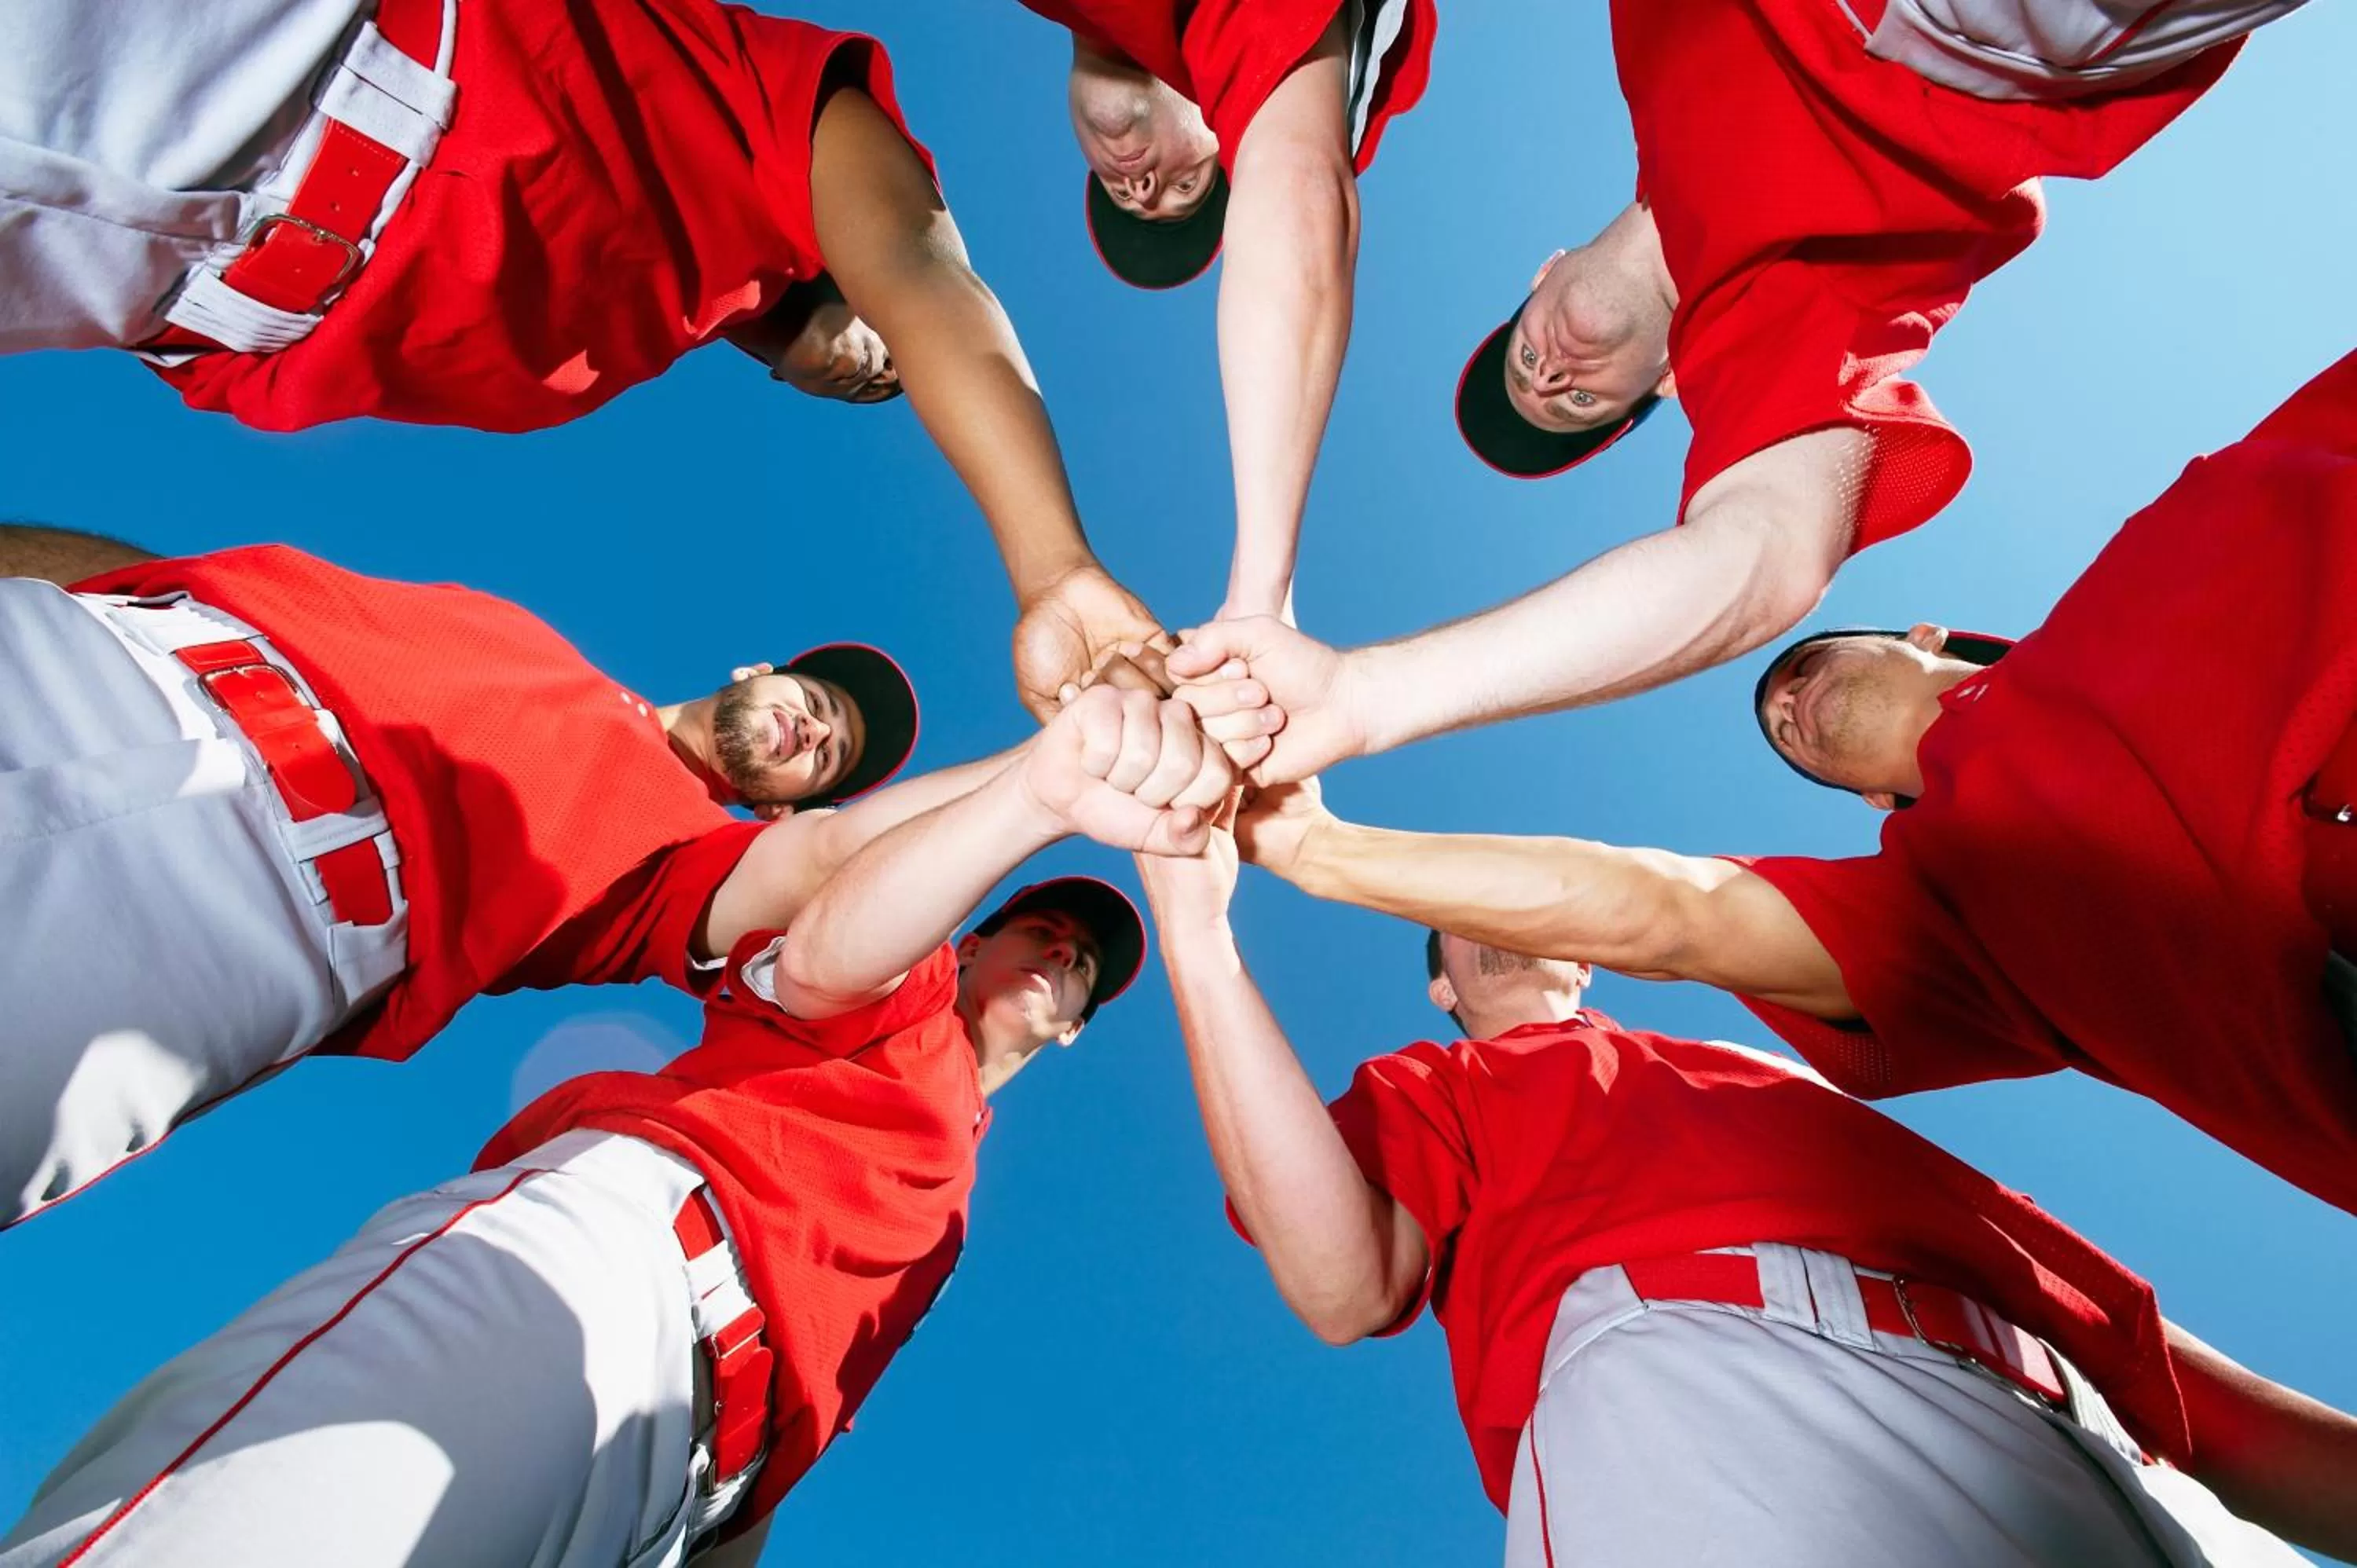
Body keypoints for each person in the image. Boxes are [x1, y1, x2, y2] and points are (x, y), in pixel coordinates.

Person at [0, 681, 1231, 1566]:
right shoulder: (906, 991)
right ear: (975, 942)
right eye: (1041, 928)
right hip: (607, 1276)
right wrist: (1037, 800)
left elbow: (815, 1409)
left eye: (1081, 965)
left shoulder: (949, 1214)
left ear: (1072, 1027)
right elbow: (832, 941)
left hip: (680, 1487)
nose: (1061, 951)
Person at [1136, 821, 2357, 1566]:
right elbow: (1345, 1282)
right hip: (1714, 1393)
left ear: (1580, 941)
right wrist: (1199, 934)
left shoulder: (1764, 1065)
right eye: (1446, 928)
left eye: (1495, 899)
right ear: (1442, 991)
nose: (1476, 922)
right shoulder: (1440, 1082)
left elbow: (2172, 1378)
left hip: (2087, 1430)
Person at [1167, 0, 2307, 778]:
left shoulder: (1649, 47)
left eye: (1526, 358)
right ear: (1665, 387)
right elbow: (1756, 561)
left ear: (1544, 272)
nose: (1552, 368)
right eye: (1572, 400)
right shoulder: (1793, 323)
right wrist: (1369, 698)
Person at [0, 0, 1164, 715]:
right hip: (245, 47)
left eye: (876, 386)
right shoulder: (768, 107)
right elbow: (926, 281)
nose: (881, 369)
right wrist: (1055, 569)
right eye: (891, 361)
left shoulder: (583, 372)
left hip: (110, 273)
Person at [0, 526, 957, 1228]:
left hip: (230, 925)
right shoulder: (511, 628)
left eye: (832, 756)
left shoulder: (682, 865)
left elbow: (837, 862)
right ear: (760, 670)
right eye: (823, 701)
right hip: (120, 663)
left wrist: (1053, 774)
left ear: (787, 807)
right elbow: (197, 582)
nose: (822, 729)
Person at [1014, 0, 1435, 621]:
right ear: (1226, 126)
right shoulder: (1251, 28)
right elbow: (1294, 177)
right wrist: (1260, 597)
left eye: (1122, 195)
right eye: (1188, 186)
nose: (1141, 188)